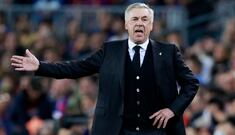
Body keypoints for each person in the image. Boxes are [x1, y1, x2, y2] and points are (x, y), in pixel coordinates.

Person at [11, 3, 199, 135]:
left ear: (151, 25)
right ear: (127, 25)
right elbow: (77, 68)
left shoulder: (168, 52)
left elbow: (191, 83)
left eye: (144, 19)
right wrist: (41, 66)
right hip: (118, 130)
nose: (139, 23)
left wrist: (172, 110)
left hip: (157, 131)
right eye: (134, 19)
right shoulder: (110, 51)